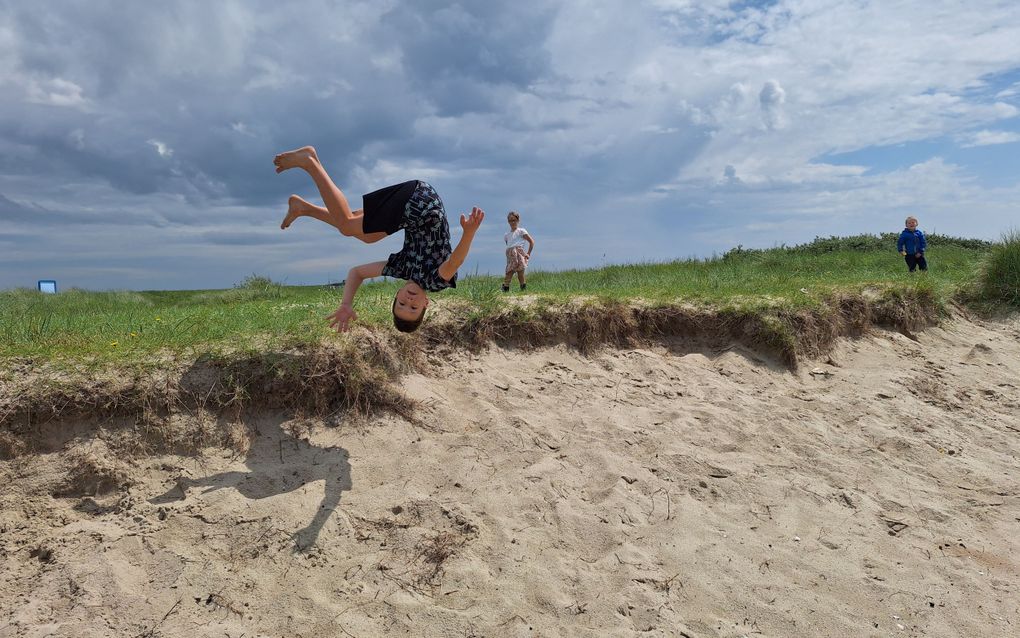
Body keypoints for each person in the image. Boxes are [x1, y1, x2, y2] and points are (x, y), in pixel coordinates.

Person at [273, 146, 484, 332]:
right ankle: (309, 162)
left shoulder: (400, 268)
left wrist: (346, 304)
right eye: (413, 307)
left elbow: (356, 273)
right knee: (347, 225)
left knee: (364, 234)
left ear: (397, 295)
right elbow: (455, 262)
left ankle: (304, 208)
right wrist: (469, 233)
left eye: (401, 305)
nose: (408, 301)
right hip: (419, 204)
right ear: (426, 303)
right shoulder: (435, 280)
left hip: (416, 206)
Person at [501, 210, 535, 292]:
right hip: (511, 254)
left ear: (518, 220)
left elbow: (531, 242)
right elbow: (509, 245)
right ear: (508, 222)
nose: (512, 222)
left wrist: (528, 254)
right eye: (510, 220)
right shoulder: (506, 235)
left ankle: (523, 290)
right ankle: (505, 290)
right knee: (509, 272)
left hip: (519, 253)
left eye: (514, 220)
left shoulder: (521, 231)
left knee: (520, 274)